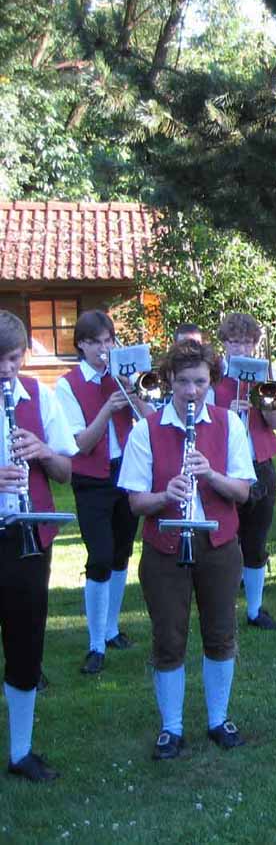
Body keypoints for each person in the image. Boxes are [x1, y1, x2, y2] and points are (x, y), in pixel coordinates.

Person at [119, 340, 256, 760]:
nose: (192, 391)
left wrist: (209, 473)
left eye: (200, 382)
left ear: (211, 381)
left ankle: (218, 719)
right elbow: (135, 502)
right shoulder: (146, 430)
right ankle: (172, 727)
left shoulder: (230, 424)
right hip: (164, 544)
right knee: (169, 636)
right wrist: (166, 494)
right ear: (168, 383)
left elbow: (244, 492)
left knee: (220, 632)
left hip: (216, 542)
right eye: (183, 383)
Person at [0, 311, 77, 782]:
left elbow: (67, 471)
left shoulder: (41, 396)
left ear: (23, 355)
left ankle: (21, 751)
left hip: (28, 540)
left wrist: (43, 450)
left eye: (11, 359)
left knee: (26, 644)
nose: (5, 370)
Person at [55, 311, 153, 675]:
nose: (103, 348)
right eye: (95, 342)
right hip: (91, 479)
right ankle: (95, 644)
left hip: (125, 473)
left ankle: (111, 630)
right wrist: (106, 410)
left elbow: (150, 420)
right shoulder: (67, 385)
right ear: (81, 344)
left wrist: (133, 390)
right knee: (99, 556)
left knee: (121, 554)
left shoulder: (123, 377)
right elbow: (79, 444)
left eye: (108, 341)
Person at [211, 313, 276, 630]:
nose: (241, 348)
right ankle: (222, 608)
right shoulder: (213, 376)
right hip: (225, 467)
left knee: (256, 540)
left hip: (260, 463)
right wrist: (227, 413)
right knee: (225, 540)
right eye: (235, 341)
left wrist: (263, 400)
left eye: (247, 342)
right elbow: (205, 424)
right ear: (224, 343)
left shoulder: (264, 374)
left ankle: (254, 610)